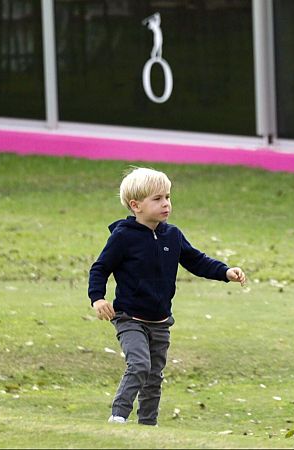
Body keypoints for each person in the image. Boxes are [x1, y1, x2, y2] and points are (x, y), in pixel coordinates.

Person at [88, 167, 247, 425]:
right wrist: (98, 298)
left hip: (161, 321)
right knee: (139, 365)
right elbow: (100, 268)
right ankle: (118, 417)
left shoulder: (172, 235)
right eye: (158, 199)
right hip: (130, 318)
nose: (166, 204)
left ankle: (147, 425)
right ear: (135, 205)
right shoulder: (123, 237)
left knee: (154, 375)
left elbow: (197, 260)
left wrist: (225, 271)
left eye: (168, 197)